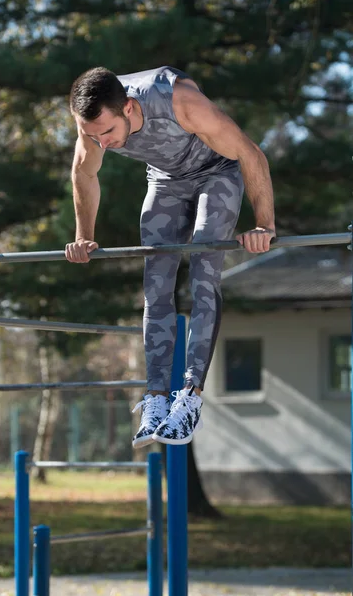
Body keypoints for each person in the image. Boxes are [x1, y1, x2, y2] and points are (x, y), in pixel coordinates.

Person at [65, 66, 276, 448]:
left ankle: (191, 395)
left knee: (203, 265)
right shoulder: (92, 126)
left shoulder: (178, 100)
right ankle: (158, 398)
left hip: (218, 171)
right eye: (93, 135)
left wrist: (264, 225)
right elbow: (84, 175)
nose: (103, 143)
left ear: (128, 108)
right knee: (156, 282)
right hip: (165, 180)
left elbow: (249, 152)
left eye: (108, 133)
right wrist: (84, 236)